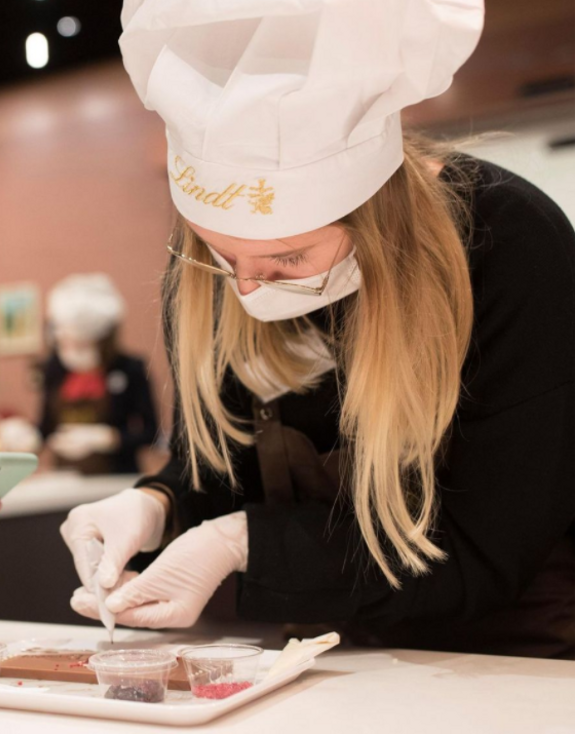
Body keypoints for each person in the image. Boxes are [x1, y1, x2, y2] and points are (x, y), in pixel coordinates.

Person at [63, 0, 575, 659]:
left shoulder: (510, 245)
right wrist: (157, 504)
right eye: (220, 254)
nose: (247, 289)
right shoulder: (211, 272)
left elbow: (485, 552)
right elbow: (217, 471)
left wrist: (241, 543)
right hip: (326, 651)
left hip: (511, 656)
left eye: (289, 261)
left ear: (372, 213)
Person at [39, 274, 159, 474]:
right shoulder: (54, 368)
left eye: (81, 344)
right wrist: (25, 436)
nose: (71, 351)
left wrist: (108, 438)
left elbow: (151, 433)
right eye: (65, 343)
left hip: (117, 476)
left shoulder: (130, 369)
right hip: (66, 477)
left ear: (103, 340)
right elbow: (45, 429)